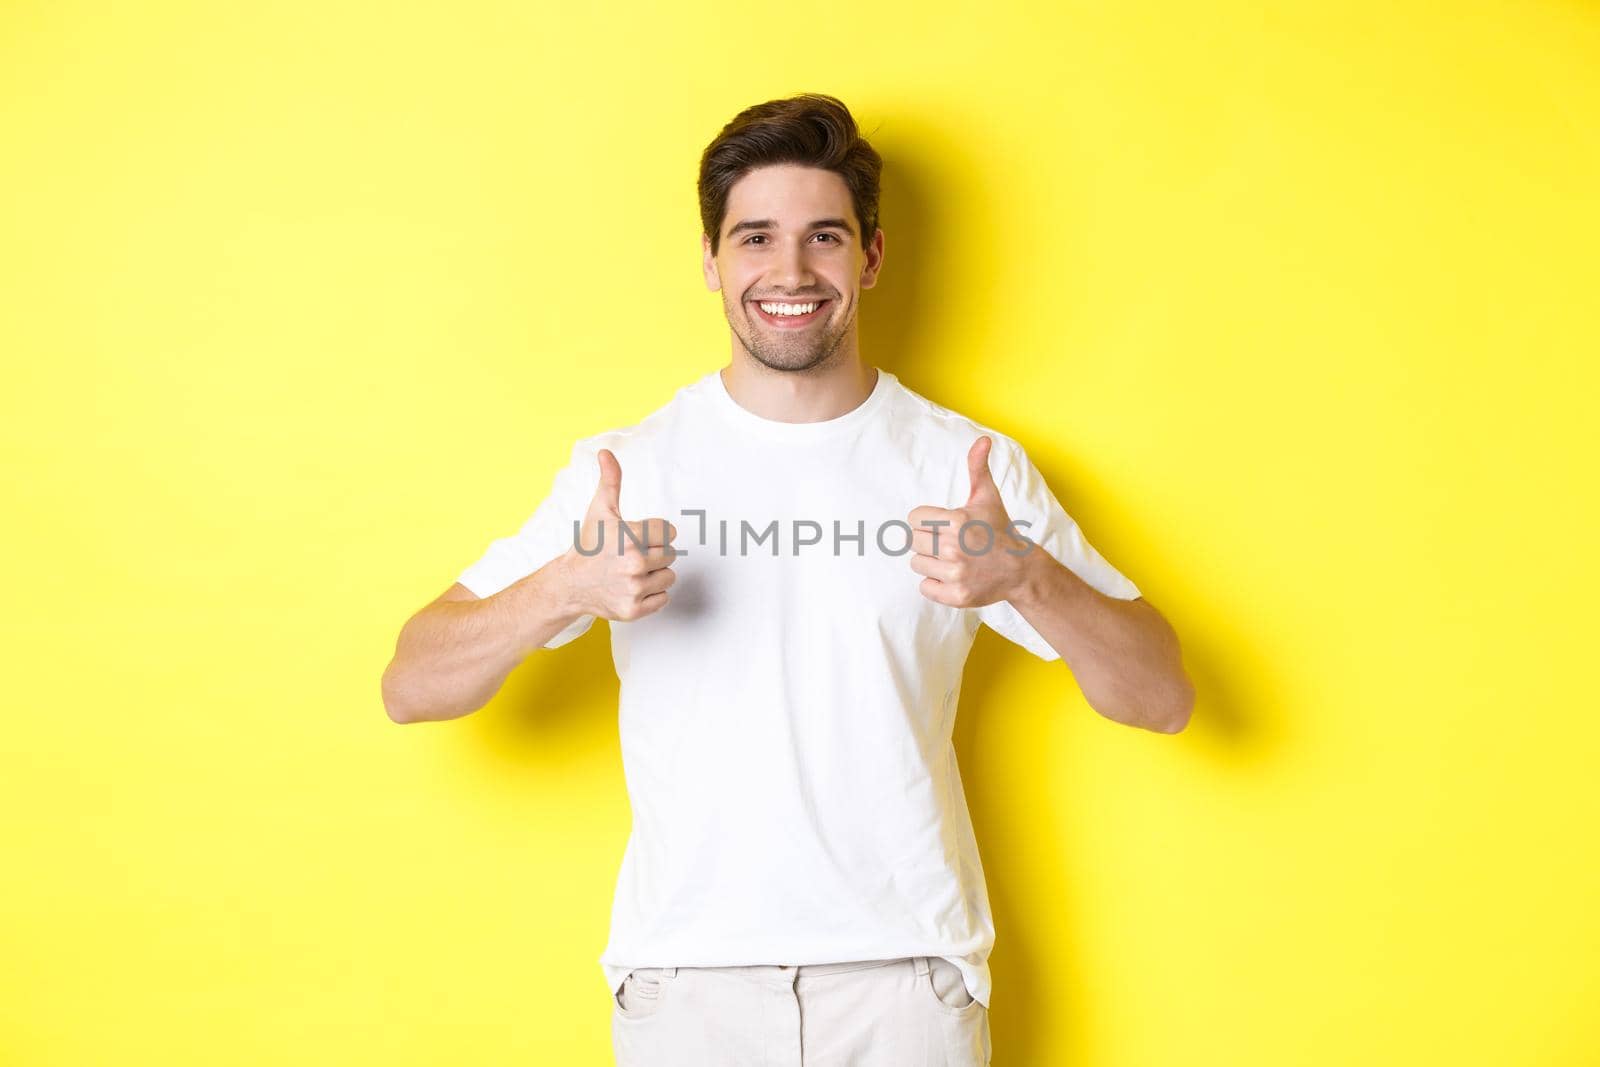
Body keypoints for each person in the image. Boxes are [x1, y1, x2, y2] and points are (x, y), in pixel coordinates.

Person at [381, 92, 1195, 1067]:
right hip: (687, 988)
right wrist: (562, 585)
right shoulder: (625, 468)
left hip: (906, 985)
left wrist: (1026, 574)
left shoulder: (963, 466)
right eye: (755, 237)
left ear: (871, 257)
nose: (790, 271)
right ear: (711, 261)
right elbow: (411, 684)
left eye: (824, 236)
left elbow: (1161, 695)